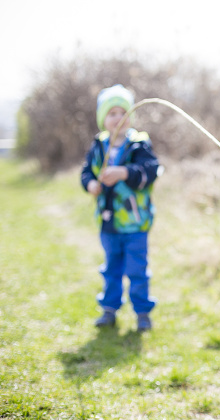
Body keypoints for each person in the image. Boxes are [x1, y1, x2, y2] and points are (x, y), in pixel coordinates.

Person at [80, 84, 160, 332]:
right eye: (111, 113)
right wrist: (91, 183)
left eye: (123, 112)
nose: (118, 118)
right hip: (108, 222)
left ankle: (142, 312)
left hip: (135, 222)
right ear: (103, 119)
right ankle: (109, 309)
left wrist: (124, 172)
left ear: (130, 117)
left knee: (137, 270)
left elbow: (150, 171)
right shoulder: (99, 146)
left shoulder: (139, 144)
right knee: (111, 268)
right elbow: (86, 172)